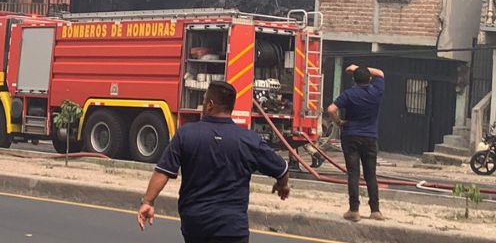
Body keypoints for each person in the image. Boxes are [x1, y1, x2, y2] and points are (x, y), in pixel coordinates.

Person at [137, 82, 290, 243]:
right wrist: (282, 185)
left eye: (203, 100)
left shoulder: (185, 134)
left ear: (210, 105)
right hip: (232, 228)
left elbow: (163, 171)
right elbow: (281, 169)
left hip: (196, 227)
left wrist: (148, 201)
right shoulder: (249, 140)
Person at [326, 64, 386, 222]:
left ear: (353, 80)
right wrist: (357, 68)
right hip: (370, 137)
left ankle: (354, 210)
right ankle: (375, 211)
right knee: (370, 174)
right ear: (370, 79)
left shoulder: (349, 94)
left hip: (351, 136)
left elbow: (331, 109)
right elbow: (380, 72)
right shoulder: (376, 91)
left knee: (353, 174)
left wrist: (338, 122)